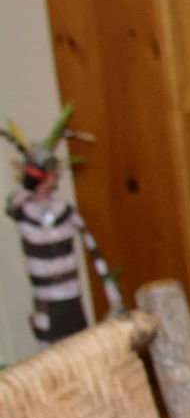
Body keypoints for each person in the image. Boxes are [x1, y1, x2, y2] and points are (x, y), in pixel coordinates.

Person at [3, 105, 123, 344]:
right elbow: (12, 205)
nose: (46, 179)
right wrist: (30, 181)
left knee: (80, 347)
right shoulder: (24, 211)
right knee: (52, 356)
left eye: (48, 173)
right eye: (39, 173)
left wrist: (114, 297)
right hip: (46, 302)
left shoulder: (65, 211)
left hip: (72, 299)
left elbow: (94, 252)